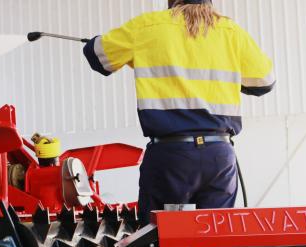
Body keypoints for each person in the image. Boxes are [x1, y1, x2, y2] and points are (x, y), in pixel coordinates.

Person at [83, 0, 275, 225]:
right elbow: (265, 82)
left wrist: (99, 41)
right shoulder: (232, 32)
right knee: (213, 242)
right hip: (218, 157)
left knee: (162, 239)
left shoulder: (147, 27)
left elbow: (97, 55)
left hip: (171, 158)